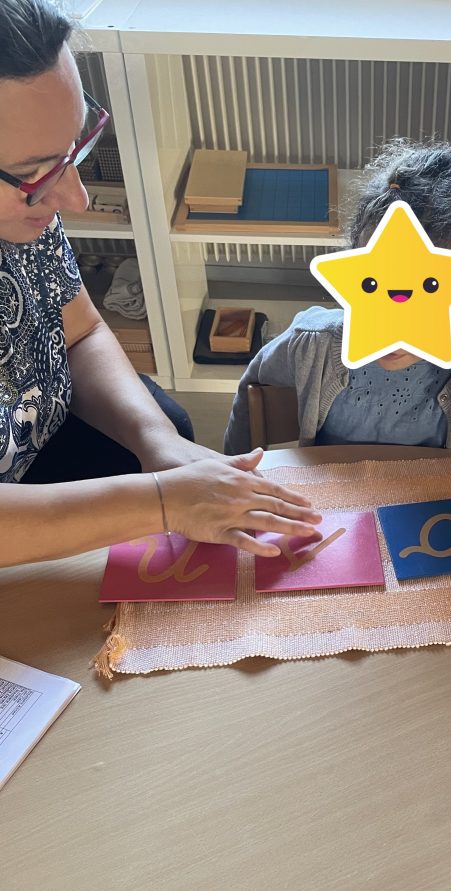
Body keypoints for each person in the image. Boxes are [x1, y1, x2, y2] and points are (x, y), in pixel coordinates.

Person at [0, 0, 321, 568]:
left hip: (46, 430)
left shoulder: (27, 216)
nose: (75, 198)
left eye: (74, 151)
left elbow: (79, 332)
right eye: (34, 175)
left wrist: (158, 444)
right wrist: (161, 501)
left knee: (166, 422)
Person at [225, 140, 451, 480]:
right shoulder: (313, 344)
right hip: (332, 504)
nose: (396, 330)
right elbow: (254, 396)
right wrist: (235, 474)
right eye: (378, 287)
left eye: (429, 291)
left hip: (434, 507)